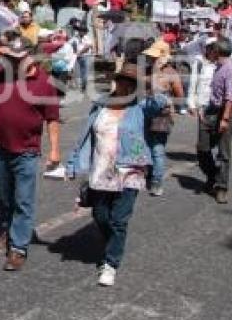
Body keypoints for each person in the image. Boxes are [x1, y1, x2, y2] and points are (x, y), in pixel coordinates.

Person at [65, 62, 168, 286]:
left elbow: (162, 102)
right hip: (101, 169)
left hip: (130, 169)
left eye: (131, 82)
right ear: (116, 81)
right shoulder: (101, 104)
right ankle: (112, 243)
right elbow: (85, 136)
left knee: (119, 220)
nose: (126, 85)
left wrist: (148, 84)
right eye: (123, 80)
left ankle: (110, 263)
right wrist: (73, 163)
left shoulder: (142, 106)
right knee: (100, 216)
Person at [0, 33, 60, 271]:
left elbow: (52, 118)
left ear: (29, 55)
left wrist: (54, 150)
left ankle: (18, 248)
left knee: (23, 200)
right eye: (11, 56)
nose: (14, 61)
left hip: (27, 151)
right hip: (0, 147)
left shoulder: (44, 82)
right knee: (4, 196)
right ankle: (8, 229)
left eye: (18, 57)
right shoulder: (1, 73)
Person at [196, 37, 232, 204]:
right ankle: (214, 175)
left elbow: (230, 97)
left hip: (225, 112)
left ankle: (221, 187)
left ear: (217, 51)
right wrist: (202, 108)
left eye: (212, 49)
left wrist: (225, 118)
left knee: (223, 153)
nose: (209, 52)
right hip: (211, 111)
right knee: (202, 148)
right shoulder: (217, 67)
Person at [143, 39, 184, 197]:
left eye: (153, 57)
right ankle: (153, 179)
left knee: (154, 148)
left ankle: (155, 180)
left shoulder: (159, 72)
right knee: (151, 148)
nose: (150, 59)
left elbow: (179, 95)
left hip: (157, 114)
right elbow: (180, 95)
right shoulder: (165, 72)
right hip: (154, 113)